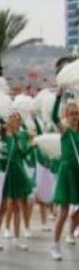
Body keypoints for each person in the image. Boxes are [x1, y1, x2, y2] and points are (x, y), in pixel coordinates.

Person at [0, 112, 33, 251]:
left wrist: (32, 147)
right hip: (5, 174)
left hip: (16, 174)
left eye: (19, 120)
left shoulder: (16, 137)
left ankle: (16, 239)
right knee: (3, 206)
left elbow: (21, 155)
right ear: (8, 120)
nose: (18, 122)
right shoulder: (1, 134)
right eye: (15, 119)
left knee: (16, 206)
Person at [49, 91, 79, 260]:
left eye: (77, 113)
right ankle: (55, 244)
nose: (75, 116)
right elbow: (54, 117)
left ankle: (71, 232)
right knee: (63, 211)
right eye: (72, 113)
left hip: (78, 172)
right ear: (66, 115)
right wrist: (58, 96)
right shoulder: (65, 131)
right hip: (67, 173)